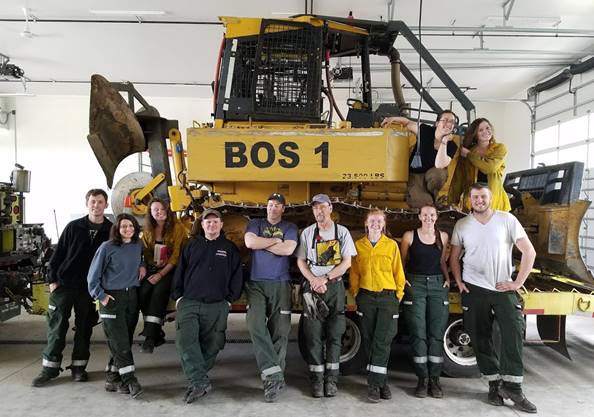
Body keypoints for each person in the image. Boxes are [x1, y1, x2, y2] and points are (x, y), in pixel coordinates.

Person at [449, 183, 537, 414]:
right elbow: (454, 257)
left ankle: (514, 388)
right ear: (469, 200)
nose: (479, 200)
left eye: (483, 196)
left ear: (490, 198)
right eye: (475, 197)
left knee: (513, 333)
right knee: (480, 338)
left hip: (503, 288)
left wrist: (518, 283)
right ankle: (494, 385)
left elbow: (529, 251)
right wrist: (458, 282)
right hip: (474, 289)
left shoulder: (506, 220)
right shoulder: (462, 224)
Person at [32, 189, 113, 387]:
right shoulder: (73, 227)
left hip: (90, 289)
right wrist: (52, 280)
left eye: (100, 202)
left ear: (106, 205)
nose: (96, 205)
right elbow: (57, 255)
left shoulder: (111, 230)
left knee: (84, 328)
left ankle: (79, 368)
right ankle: (49, 369)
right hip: (65, 284)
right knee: (57, 327)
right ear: (87, 204)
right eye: (93, 201)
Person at [172, 209, 243, 404]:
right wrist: (178, 297)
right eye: (207, 222)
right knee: (186, 340)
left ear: (221, 225)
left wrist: (229, 299)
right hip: (190, 302)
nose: (211, 225)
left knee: (213, 344)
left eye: (215, 222)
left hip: (217, 304)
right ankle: (199, 380)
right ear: (202, 225)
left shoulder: (229, 248)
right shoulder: (191, 245)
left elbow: (238, 275)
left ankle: (198, 380)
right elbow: (180, 271)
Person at [296, 193, 357, 398]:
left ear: (330, 208)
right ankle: (316, 381)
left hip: (334, 287)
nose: (319, 211)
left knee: (335, 334)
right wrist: (313, 280)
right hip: (312, 288)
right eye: (315, 208)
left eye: (322, 207)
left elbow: (347, 262)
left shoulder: (342, 232)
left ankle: (331, 380)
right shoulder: (307, 233)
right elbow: (301, 261)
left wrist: (325, 278)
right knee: (312, 335)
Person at [244, 193, 298, 402]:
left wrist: (263, 242)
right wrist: (275, 240)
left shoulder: (290, 227)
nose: (273, 208)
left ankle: (272, 381)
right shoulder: (255, 223)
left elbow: (288, 249)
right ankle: (274, 373)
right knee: (255, 324)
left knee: (280, 331)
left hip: (280, 283)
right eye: (270, 205)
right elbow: (249, 243)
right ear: (266, 207)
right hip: (256, 282)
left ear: (283, 209)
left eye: (277, 205)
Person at [87, 213, 146, 399]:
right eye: (123, 227)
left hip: (131, 296)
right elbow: (92, 276)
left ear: (135, 228)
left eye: (130, 226)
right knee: (119, 341)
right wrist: (101, 296)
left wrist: (143, 265)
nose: (127, 229)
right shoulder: (107, 247)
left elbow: (140, 259)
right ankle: (129, 380)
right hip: (112, 298)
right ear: (117, 229)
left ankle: (112, 378)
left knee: (123, 339)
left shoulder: (138, 245)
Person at [349, 209, 405, 403]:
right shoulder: (359, 246)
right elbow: (354, 272)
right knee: (369, 339)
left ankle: (374, 385)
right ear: (366, 223)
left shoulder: (391, 246)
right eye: (372, 220)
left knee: (383, 340)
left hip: (387, 297)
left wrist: (398, 294)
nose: (375, 224)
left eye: (379, 221)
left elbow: (399, 271)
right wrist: (356, 293)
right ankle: (381, 381)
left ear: (384, 224)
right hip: (366, 297)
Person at [399, 205, 450, 399]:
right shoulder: (409, 236)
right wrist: (403, 279)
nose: (428, 217)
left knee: (436, 333)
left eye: (432, 215)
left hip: (438, 285)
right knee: (418, 332)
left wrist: (447, 279)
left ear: (436, 217)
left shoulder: (443, 236)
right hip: (416, 284)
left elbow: (442, 261)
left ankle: (435, 380)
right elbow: (402, 260)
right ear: (420, 216)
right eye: (425, 214)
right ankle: (422, 380)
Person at [139, 197, 188, 353]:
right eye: (155, 210)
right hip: (152, 268)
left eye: (162, 209)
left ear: (167, 210)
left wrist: (161, 274)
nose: (159, 212)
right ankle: (157, 331)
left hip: (172, 269)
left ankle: (150, 338)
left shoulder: (178, 228)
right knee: (143, 291)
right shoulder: (147, 229)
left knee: (159, 291)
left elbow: (176, 256)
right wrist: (151, 265)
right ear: (150, 213)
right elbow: (145, 252)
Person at [382, 111, 459, 208]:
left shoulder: (451, 145)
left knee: (440, 173)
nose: (449, 124)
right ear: (437, 123)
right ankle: (425, 198)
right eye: (445, 120)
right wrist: (392, 119)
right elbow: (408, 123)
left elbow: (439, 165)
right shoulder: (425, 131)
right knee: (426, 204)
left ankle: (432, 195)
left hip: (433, 177)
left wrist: (444, 142)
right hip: (416, 174)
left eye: (452, 122)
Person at [449, 117, 511, 211]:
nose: (485, 131)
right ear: (475, 134)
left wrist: (469, 155)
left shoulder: (500, 148)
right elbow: (459, 179)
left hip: (494, 201)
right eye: (480, 130)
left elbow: (490, 167)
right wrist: (452, 203)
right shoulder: (467, 151)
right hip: (472, 202)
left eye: (487, 128)